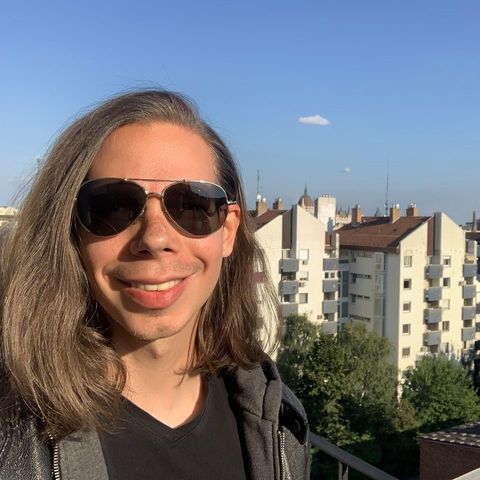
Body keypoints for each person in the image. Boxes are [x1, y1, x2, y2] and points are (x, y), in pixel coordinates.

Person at [0, 90, 310, 479]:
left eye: (191, 206)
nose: (155, 237)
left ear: (228, 232)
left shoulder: (280, 423)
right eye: (113, 207)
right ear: (71, 232)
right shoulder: (13, 441)